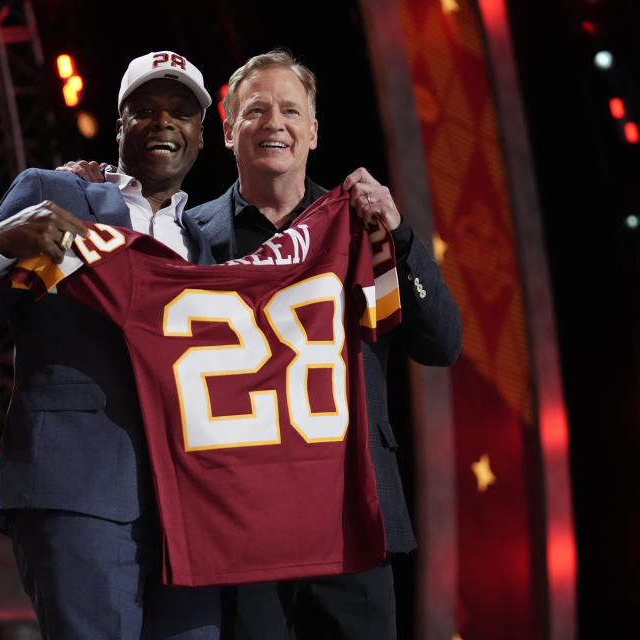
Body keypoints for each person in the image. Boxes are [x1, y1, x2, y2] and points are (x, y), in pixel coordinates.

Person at [0, 51, 221, 639]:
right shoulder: (54, 194)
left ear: (201, 135)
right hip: (81, 489)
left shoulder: (211, 241)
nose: (163, 123)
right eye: (144, 110)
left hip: (192, 509)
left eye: (181, 113)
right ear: (119, 125)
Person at [185, 50, 463, 640]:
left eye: (290, 110)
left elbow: (442, 343)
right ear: (229, 128)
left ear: (314, 131)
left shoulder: (364, 228)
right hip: (240, 526)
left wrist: (400, 233)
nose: (273, 124)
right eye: (255, 110)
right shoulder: (190, 239)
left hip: (351, 520)